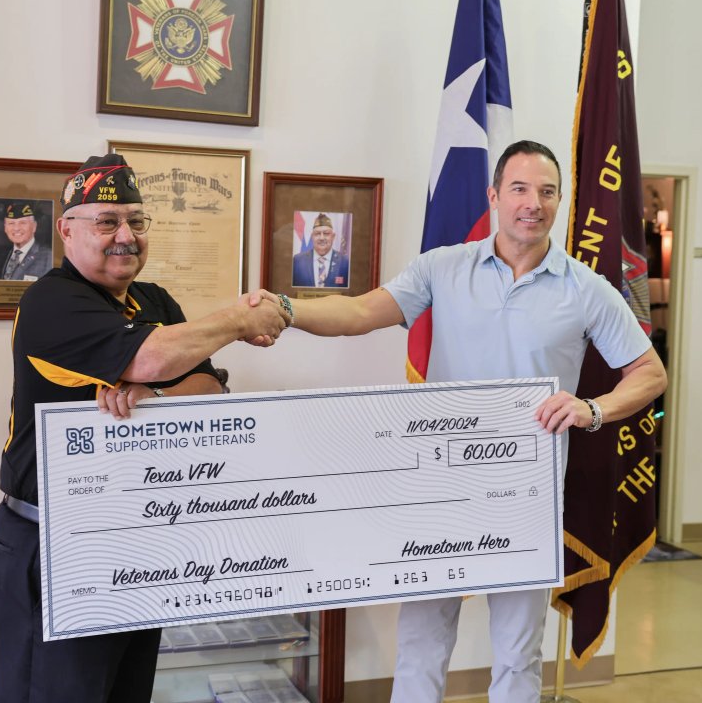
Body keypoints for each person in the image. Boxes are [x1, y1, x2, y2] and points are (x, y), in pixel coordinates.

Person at [256, 140, 667, 703]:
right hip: (439, 491)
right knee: (423, 641)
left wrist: (592, 409)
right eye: (520, 189)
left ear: (560, 201)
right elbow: (357, 314)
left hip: (527, 496)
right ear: (495, 196)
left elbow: (649, 373)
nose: (534, 203)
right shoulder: (442, 268)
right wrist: (286, 309)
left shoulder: (585, 288)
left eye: (548, 192)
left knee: (519, 655)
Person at [0, 153, 289, 703]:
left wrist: (158, 395)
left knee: (126, 692)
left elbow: (210, 388)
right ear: (67, 230)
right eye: (107, 222)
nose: (125, 235)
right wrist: (240, 319)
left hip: (134, 538)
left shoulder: (154, 301)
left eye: (136, 221)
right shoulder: (50, 301)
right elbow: (153, 357)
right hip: (54, 542)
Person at [291, 213, 350, 288]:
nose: (322, 238)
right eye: (317, 233)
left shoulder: (345, 262)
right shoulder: (297, 261)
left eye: (326, 233)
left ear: (333, 236)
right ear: (312, 236)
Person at [0, 201, 53, 280]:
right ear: (5, 228)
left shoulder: (48, 257)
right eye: (11, 223)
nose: (16, 228)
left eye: (23, 223)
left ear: (34, 226)